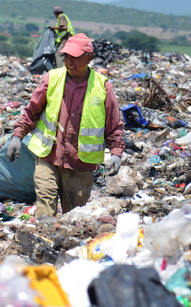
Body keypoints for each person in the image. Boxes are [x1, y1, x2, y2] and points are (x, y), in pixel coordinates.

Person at [8, 33, 124, 218]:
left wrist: (116, 153)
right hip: (48, 155)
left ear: (89, 59)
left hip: (80, 163)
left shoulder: (103, 87)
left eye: (75, 58)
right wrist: (17, 136)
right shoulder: (51, 79)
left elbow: (113, 124)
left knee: (73, 216)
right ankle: (44, 240)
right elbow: (32, 112)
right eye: (66, 56)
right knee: (45, 206)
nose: (69, 62)